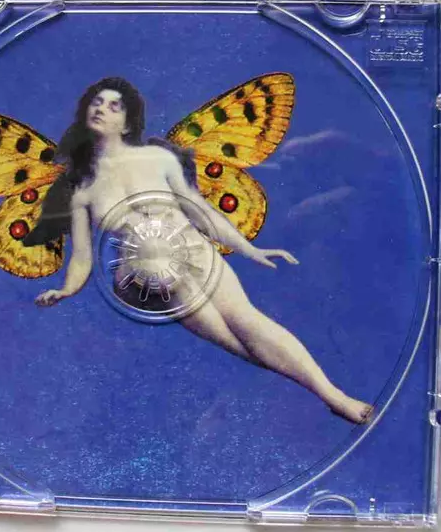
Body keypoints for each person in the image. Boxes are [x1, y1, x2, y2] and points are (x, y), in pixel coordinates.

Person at [25, 76, 372, 424]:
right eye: (96, 103)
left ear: (128, 123)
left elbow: (200, 211)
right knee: (232, 337)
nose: (101, 109)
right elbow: (83, 256)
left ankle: (334, 396)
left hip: (195, 251)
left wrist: (250, 249)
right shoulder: (83, 191)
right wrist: (66, 289)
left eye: (114, 106)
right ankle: (324, 393)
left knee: (247, 323)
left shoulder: (158, 158)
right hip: (150, 276)